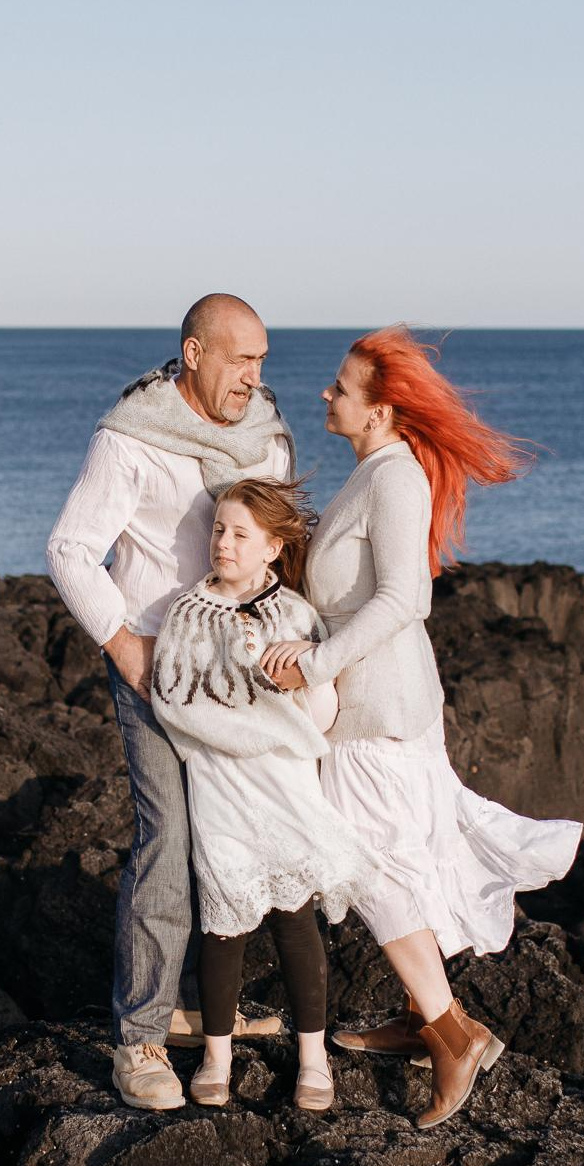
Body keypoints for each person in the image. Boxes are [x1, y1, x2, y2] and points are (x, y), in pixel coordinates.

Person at [261, 326, 582, 1128]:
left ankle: (453, 1033)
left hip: (380, 709)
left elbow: (407, 598)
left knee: (366, 862)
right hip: (369, 708)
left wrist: (317, 661)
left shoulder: (394, 477)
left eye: (340, 387)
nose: (325, 396)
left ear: (381, 407)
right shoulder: (371, 472)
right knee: (393, 857)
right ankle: (418, 1011)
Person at [46, 294, 296, 1111]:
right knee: (170, 836)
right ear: (193, 354)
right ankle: (141, 1035)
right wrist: (125, 644)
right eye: (240, 360)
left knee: (241, 835)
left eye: (262, 359)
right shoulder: (132, 436)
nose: (255, 377)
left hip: (240, 675)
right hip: (155, 670)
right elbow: (70, 549)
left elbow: (281, 545)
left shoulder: (265, 432)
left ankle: (213, 1012)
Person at [149, 477, 371, 1113]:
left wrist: (294, 688)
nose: (223, 542)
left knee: (294, 920)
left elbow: (321, 710)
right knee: (224, 923)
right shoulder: (187, 612)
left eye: (241, 534)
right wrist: (257, 729)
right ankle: (216, 1057)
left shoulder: (298, 615)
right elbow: (174, 702)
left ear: (274, 547)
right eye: (219, 529)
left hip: (286, 787)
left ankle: (312, 1056)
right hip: (219, 788)